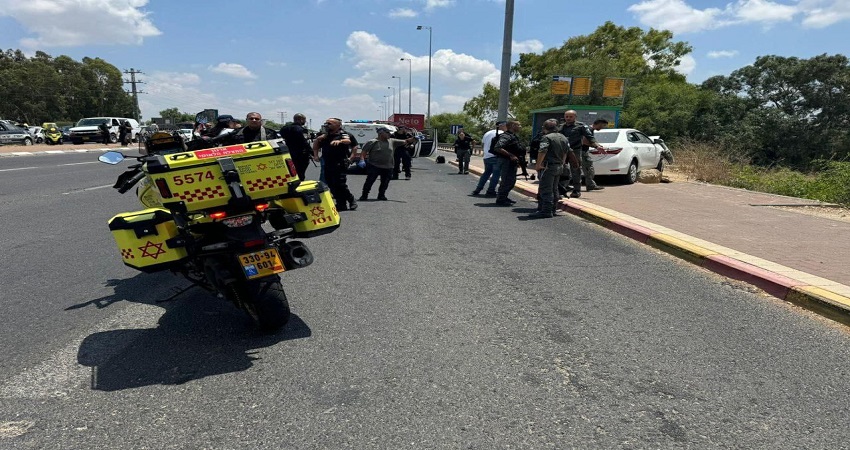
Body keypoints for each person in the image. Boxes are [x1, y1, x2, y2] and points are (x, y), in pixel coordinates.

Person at [358, 127, 416, 201]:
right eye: (387, 133)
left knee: (385, 182)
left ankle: (381, 195)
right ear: (381, 133)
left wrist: (414, 138)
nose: (389, 134)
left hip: (388, 166)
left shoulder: (392, 141)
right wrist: (362, 160)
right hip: (374, 165)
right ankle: (364, 195)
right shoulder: (372, 142)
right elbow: (364, 151)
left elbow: (406, 141)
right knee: (369, 181)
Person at [313, 118, 357, 211]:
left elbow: (349, 142)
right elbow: (316, 144)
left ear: (338, 125)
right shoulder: (325, 135)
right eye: (326, 123)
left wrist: (340, 141)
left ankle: (351, 199)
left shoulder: (343, 134)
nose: (327, 125)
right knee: (331, 184)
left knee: (340, 184)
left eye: (329, 123)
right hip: (328, 162)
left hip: (340, 163)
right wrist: (316, 155)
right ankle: (341, 204)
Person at [529, 119, 569, 218]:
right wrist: (562, 163)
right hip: (559, 166)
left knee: (546, 189)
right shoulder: (563, 137)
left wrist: (538, 164)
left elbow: (542, 151)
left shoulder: (546, 138)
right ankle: (553, 209)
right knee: (554, 189)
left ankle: (546, 211)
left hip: (548, 166)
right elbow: (566, 152)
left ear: (544, 128)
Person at [559, 110, 603, 198]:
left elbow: (589, 137)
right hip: (563, 151)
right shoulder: (561, 127)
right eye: (566, 116)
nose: (568, 118)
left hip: (575, 151)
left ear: (575, 117)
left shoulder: (581, 126)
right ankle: (561, 189)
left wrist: (597, 146)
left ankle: (576, 190)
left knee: (576, 170)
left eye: (570, 117)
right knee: (562, 170)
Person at [491, 120, 524, 206]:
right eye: (518, 125)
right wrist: (511, 155)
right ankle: (501, 199)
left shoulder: (512, 136)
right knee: (506, 181)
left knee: (511, 181)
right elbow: (498, 147)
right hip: (506, 162)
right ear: (512, 126)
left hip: (511, 162)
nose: (520, 127)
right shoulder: (506, 136)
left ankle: (504, 197)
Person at [471, 121, 507, 196]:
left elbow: (483, 145)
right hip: (496, 157)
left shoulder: (487, 133)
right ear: (502, 126)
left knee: (486, 173)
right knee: (496, 174)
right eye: (506, 125)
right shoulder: (502, 134)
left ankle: (478, 189)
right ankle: (491, 190)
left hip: (486, 156)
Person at [578, 118, 609, 192]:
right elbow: (584, 141)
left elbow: (590, 140)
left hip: (582, 151)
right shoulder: (589, 129)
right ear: (599, 123)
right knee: (589, 168)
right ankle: (590, 185)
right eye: (603, 126)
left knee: (584, 169)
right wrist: (596, 147)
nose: (602, 128)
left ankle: (590, 185)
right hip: (582, 151)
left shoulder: (589, 129)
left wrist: (598, 145)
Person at [280, 113, 312, 180]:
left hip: (288, 153)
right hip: (301, 154)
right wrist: (312, 152)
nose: (305, 121)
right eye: (304, 120)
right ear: (301, 119)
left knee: (290, 172)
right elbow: (304, 142)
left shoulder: (284, 129)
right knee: (300, 173)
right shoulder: (301, 129)